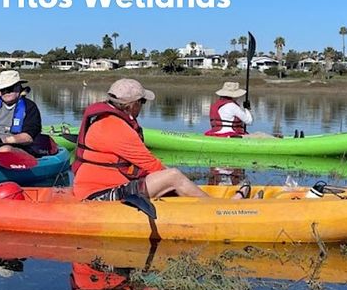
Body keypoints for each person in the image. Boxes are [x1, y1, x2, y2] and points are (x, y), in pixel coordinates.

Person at [72, 79, 248, 200]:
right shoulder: (116, 128)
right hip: (99, 194)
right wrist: (176, 181)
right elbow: (152, 166)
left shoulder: (106, 120)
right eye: (142, 102)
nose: (142, 106)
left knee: (171, 179)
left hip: (102, 186)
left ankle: (201, 199)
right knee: (173, 176)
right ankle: (220, 208)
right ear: (132, 104)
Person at [0, 70, 43, 155]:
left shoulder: (30, 107)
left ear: (19, 88)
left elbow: (28, 137)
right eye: (3, 89)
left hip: (16, 148)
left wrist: (2, 141)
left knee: (5, 150)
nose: (6, 92)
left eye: (10, 89)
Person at [205, 81, 273, 138]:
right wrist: (247, 109)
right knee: (260, 134)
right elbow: (249, 121)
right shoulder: (233, 106)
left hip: (214, 133)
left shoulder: (215, 104)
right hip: (231, 135)